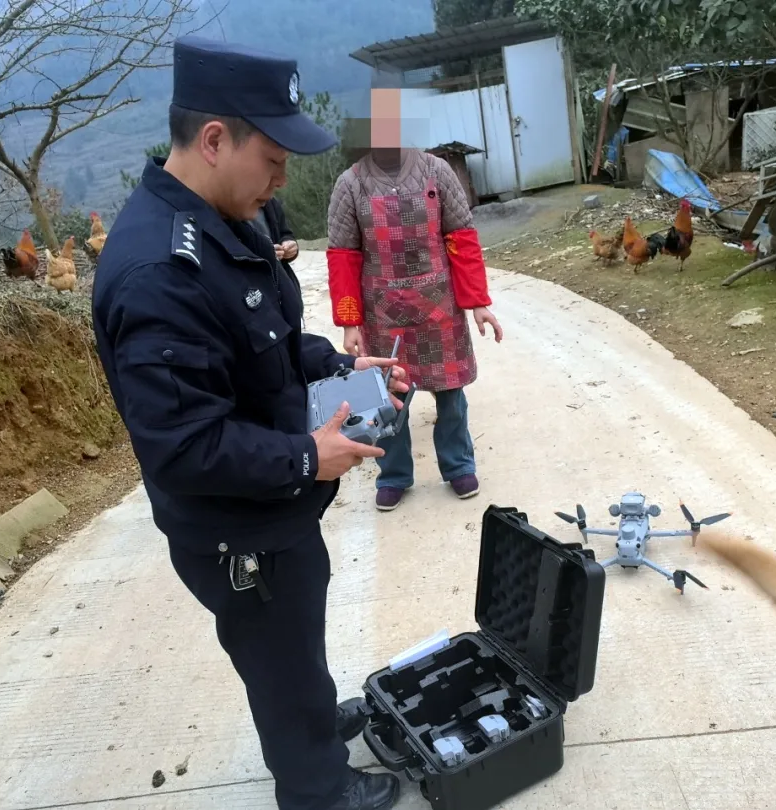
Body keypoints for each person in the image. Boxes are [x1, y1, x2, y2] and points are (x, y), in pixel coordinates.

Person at [91, 36, 407, 810]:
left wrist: (338, 364)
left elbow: (264, 343)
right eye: (272, 159)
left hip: (270, 508)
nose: (281, 179)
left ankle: (312, 723)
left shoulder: (224, 218)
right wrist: (306, 458)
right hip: (238, 528)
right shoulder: (160, 273)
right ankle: (318, 790)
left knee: (292, 641)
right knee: (279, 656)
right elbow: (184, 447)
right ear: (213, 141)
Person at [326, 87, 503, 512]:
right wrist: (349, 321)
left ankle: (458, 466)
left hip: (439, 306)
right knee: (389, 398)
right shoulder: (350, 184)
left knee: (451, 395)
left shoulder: (436, 172)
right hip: (382, 312)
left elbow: (460, 237)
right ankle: (394, 475)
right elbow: (344, 256)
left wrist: (477, 302)